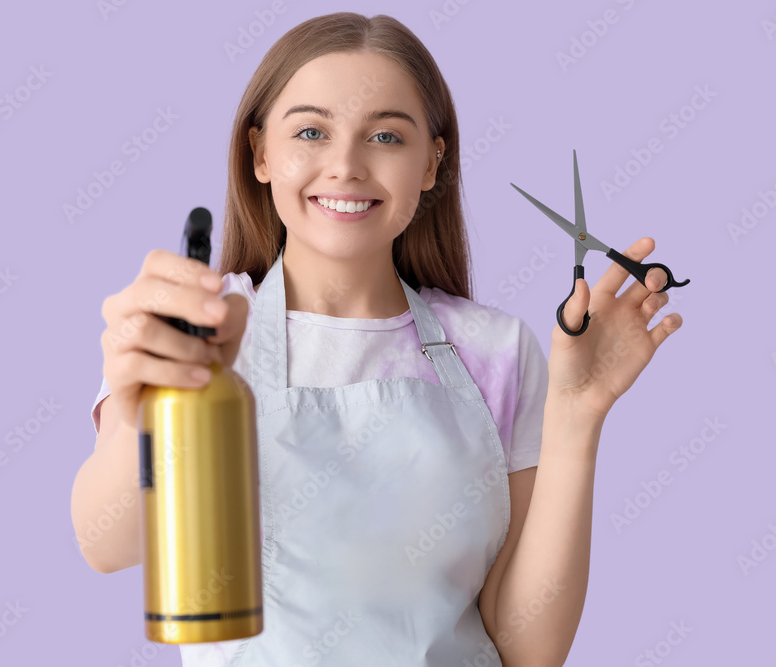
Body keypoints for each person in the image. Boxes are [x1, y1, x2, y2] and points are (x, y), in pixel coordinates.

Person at [70, 11, 682, 667]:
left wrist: (577, 415)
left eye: (385, 136)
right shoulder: (195, 328)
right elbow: (110, 545)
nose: (346, 166)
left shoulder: (496, 351)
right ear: (261, 154)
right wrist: (144, 409)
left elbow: (528, 645)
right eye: (311, 131)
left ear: (430, 163)